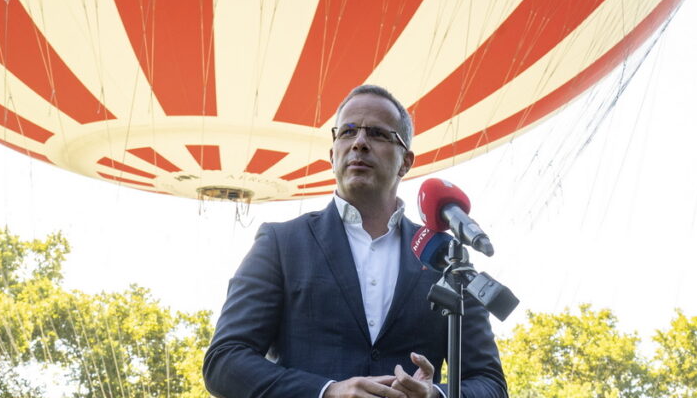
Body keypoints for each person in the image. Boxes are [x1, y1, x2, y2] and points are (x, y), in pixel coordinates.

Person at [203, 85, 507, 398]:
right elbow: (224, 361)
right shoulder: (280, 243)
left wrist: (436, 396)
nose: (359, 143)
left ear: (406, 161)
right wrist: (325, 392)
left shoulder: (445, 258)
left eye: (377, 133)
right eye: (347, 132)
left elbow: (490, 383)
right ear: (333, 154)